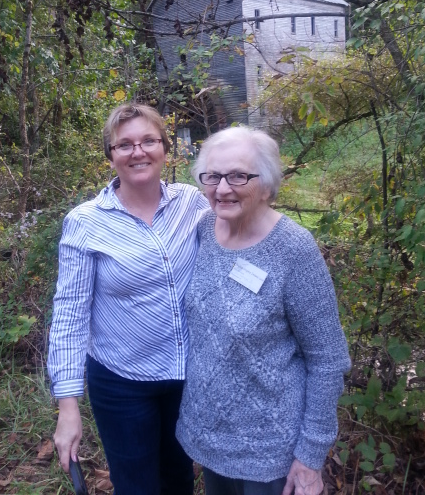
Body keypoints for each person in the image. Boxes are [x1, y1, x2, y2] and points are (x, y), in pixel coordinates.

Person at [176, 126, 351, 495]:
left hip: (273, 452)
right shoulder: (205, 229)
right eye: (212, 176)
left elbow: (328, 359)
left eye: (239, 175)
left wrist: (310, 457)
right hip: (211, 441)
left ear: (267, 184)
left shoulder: (294, 249)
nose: (223, 188)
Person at [47, 103, 209, 495]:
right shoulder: (86, 222)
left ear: (165, 148)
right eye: (124, 145)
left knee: (179, 479)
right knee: (137, 485)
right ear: (111, 155)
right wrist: (68, 407)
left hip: (186, 375)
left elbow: (231, 256)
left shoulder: (193, 204)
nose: (138, 152)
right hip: (122, 380)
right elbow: (70, 314)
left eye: (148, 141)